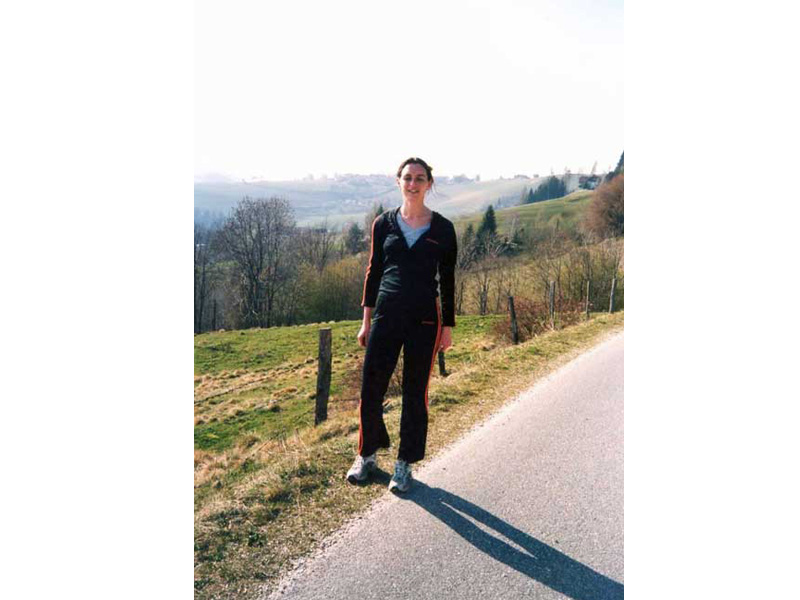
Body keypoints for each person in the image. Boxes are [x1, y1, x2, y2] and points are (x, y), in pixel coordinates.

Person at [346, 157, 457, 493]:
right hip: (386, 316)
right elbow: (373, 273)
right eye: (408, 178)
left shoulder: (443, 229)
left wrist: (447, 328)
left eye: (420, 178)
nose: (413, 183)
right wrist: (365, 322)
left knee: (414, 393)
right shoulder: (383, 224)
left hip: (425, 320)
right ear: (399, 182)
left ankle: (404, 464)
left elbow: (448, 281)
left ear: (429, 184)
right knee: (371, 389)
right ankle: (366, 455)